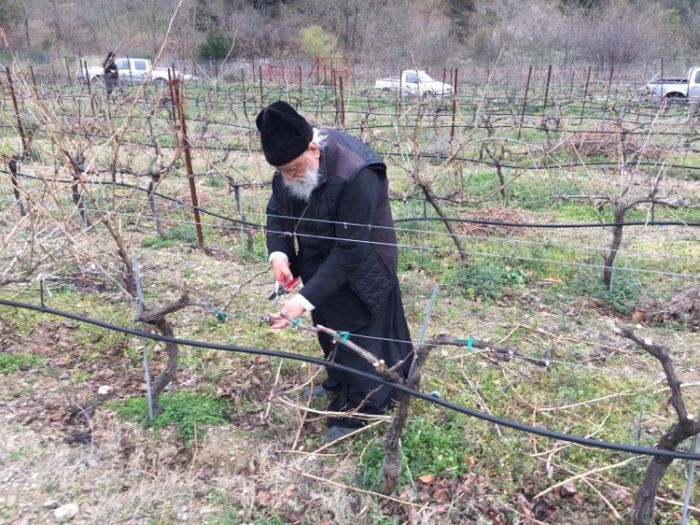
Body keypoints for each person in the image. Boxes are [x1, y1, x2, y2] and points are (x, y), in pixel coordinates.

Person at [257, 101, 413, 442]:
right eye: (282, 170)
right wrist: (279, 255)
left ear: (313, 148)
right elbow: (277, 213)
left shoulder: (359, 174)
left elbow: (350, 250)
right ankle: (339, 380)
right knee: (328, 325)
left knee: (360, 330)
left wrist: (303, 299)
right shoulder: (291, 162)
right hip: (319, 257)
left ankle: (364, 406)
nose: (288, 177)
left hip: (364, 261)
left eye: (294, 169)